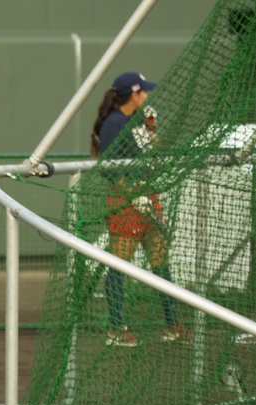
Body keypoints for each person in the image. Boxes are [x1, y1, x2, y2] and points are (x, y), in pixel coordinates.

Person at [91, 71, 188, 347]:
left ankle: (172, 324)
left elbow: (150, 154)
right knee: (119, 262)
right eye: (143, 92)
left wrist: (151, 129)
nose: (147, 95)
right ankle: (116, 328)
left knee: (161, 260)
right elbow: (109, 168)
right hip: (126, 200)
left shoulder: (138, 120)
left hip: (147, 194)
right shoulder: (113, 123)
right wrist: (132, 196)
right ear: (133, 95)